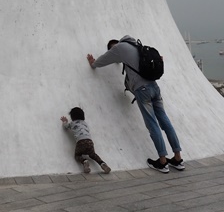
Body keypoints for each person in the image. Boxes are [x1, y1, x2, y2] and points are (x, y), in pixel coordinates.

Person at [86, 35, 185, 173]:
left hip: (142, 90)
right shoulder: (137, 47)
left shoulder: (119, 48)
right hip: (155, 87)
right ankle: (178, 158)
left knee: (152, 125)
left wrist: (93, 63)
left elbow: (105, 59)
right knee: (165, 121)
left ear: (114, 46)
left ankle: (162, 162)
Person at [61, 106, 111, 174]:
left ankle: (84, 162)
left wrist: (65, 121)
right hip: (89, 142)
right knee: (93, 155)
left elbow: (66, 126)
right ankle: (103, 164)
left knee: (77, 155)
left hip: (80, 142)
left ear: (72, 117)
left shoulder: (72, 123)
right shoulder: (85, 123)